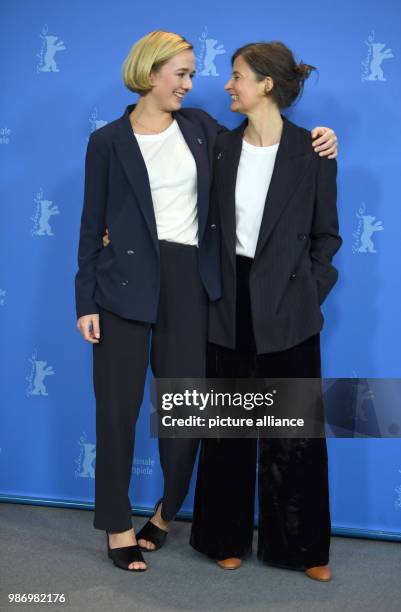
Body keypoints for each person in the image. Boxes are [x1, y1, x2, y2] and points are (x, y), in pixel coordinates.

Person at [76, 30, 338, 572]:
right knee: (119, 412)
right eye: (183, 74)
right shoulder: (107, 142)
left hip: (193, 285)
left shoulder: (202, 130)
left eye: (200, 74)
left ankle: (167, 514)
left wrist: (324, 139)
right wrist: (86, 299)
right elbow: (90, 226)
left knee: (189, 411)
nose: (196, 84)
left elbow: (276, 155)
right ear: (151, 73)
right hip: (124, 285)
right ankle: (118, 526)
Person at [190, 41, 342, 582]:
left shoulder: (314, 150)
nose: (228, 84)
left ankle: (302, 548)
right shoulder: (218, 146)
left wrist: (309, 290)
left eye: (237, 76)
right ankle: (221, 536)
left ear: (266, 85)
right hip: (229, 299)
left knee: (295, 430)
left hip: (291, 301)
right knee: (228, 427)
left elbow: (327, 235)